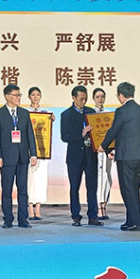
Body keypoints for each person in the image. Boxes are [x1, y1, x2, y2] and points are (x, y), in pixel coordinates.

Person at [100, 82, 140, 232]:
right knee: (134, 189)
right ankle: (130, 220)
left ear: (121, 96)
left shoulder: (122, 111)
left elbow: (114, 130)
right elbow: (130, 133)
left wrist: (103, 146)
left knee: (128, 190)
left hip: (127, 156)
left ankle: (137, 222)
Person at [0, 84, 38, 229]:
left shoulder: (24, 113)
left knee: (23, 189)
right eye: (16, 95)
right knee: (7, 190)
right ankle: (8, 219)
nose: (18, 98)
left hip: (23, 156)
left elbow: (30, 135)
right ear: (7, 96)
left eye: (19, 95)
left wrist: (33, 153)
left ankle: (23, 219)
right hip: (6, 158)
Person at [60, 85, 101, 227]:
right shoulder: (66, 115)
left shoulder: (91, 112)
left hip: (90, 155)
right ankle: (76, 216)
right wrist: (81, 134)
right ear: (73, 97)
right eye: (81, 99)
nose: (83, 102)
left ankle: (93, 216)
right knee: (74, 187)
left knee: (92, 187)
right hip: (74, 157)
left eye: (85, 99)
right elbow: (65, 136)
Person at [26, 86, 54, 220]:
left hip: (43, 151)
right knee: (29, 179)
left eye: (38, 95)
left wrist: (51, 120)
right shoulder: (24, 113)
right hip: (28, 151)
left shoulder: (46, 113)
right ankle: (30, 208)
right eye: (33, 95)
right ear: (29, 97)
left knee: (41, 180)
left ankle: (38, 208)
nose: (35, 97)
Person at [93, 87, 114, 220]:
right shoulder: (90, 114)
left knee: (107, 177)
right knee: (97, 178)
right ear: (93, 99)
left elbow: (113, 133)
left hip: (107, 151)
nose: (100, 99)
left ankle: (104, 205)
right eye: (97, 97)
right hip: (95, 152)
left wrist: (111, 149)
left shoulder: (109, 114)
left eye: (102, 97)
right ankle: (98, 208)